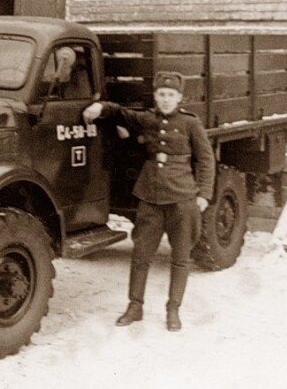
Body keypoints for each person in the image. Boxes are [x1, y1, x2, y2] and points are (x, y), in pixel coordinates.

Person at [82, 71, 215, 331]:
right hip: (150, 197)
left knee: (180, 258)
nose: (166, 100)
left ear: (179, 98)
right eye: (161, 94)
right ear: (155, 96)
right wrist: (100, 106)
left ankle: (173, 309)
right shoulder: (147, 119)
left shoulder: (191, 124)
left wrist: (204, 195)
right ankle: (135, 306)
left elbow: (206, 160)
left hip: (182, 198)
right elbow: (121, 114)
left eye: (171, 95)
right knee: (141, 255)